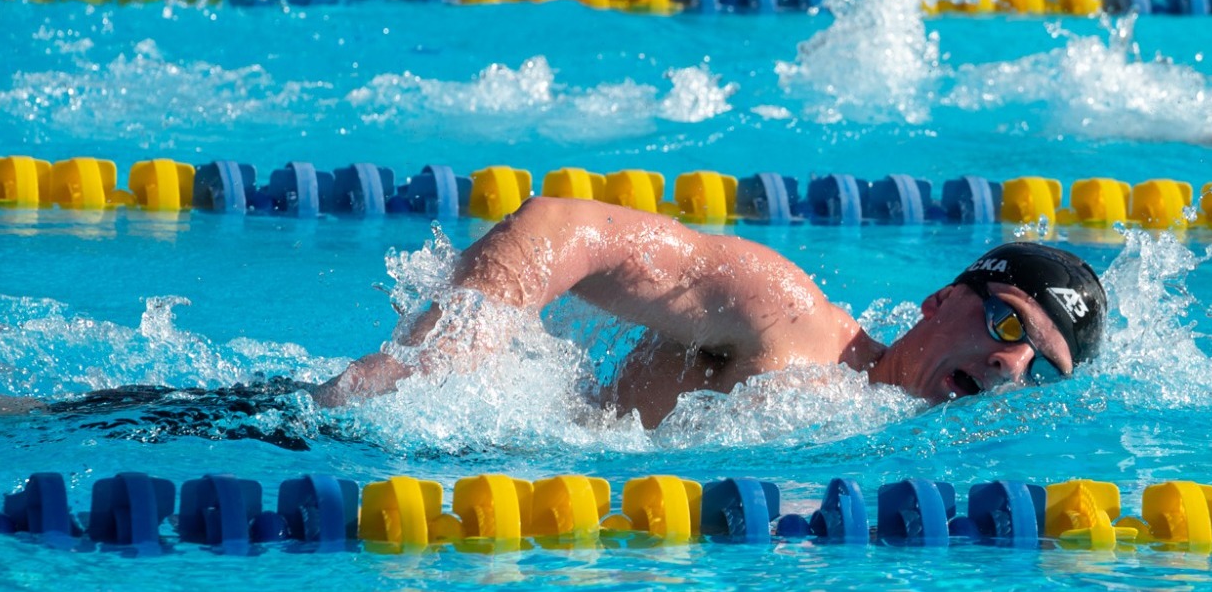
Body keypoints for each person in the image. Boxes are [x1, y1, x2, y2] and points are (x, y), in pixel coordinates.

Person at [314, 196, 1109, 428]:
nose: (1012, 364)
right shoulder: (787, 319)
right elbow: (562, 226)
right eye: (1008, 324)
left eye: (1040, 369)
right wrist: (438, 358)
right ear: (939, 300)